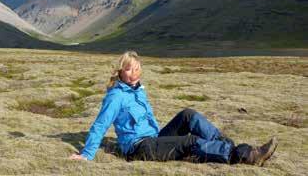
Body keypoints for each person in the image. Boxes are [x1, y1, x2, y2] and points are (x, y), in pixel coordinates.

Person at [69, 51, 278, 166]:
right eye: (129, 68)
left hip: (154, 139)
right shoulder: (116, 96)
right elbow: (101, 124)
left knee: (188, 115)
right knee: (190, 142)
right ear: (120, 71)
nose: (135, 72)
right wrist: (87, 153)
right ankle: (245, 155)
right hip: (139, 148)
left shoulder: (138, 90)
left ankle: (227, 145)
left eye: (137, 67)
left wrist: (163, 138)